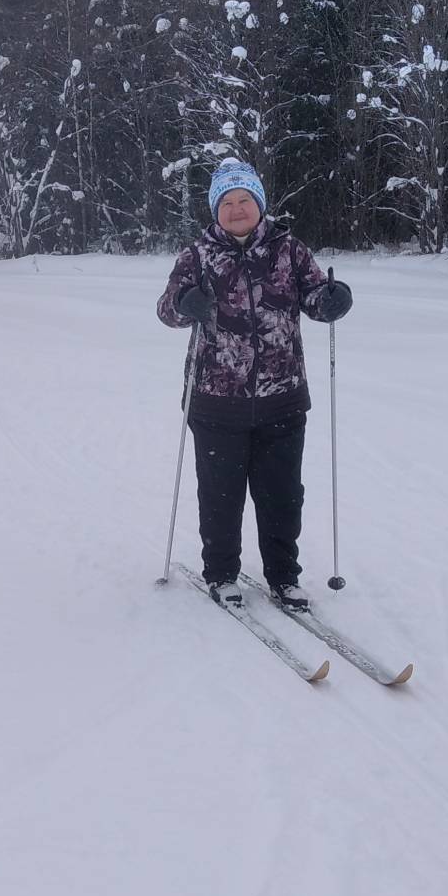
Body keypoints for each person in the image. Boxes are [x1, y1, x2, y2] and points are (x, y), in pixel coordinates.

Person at [157, 159, 351, 609]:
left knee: (282, 495)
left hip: (282, 399)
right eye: (227, 202)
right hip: (214, 401)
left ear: (260, 205)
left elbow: (315, 298)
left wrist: (333, 300)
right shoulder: (197, 254)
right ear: (215, 209)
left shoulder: (290, 250)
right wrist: (186, 302)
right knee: (220, 495)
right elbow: (167, 310)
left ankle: (284, 577)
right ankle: (222, 574)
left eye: (245, 200)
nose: (237, 208)